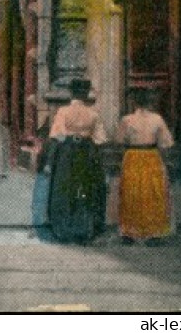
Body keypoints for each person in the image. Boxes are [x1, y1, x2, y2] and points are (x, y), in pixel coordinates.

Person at [44, 78, 107, 244]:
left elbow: (57, 137)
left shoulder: (63, 112)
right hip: (87, 153)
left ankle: (65, 229)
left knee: (65, 188)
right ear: (86, 94)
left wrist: (49, 162)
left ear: (71, 93)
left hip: (67, 152)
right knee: (85, 189)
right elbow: (100, 139)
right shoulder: (93, 114)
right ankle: (84, 229)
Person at [115, 88, 174, 245]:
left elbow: (120, 141)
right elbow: (166, 143)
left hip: (133, 155)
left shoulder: (127, 120)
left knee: (131, 191)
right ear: (150, 102)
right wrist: (166, 162)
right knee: (153, 192)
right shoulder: (157, 119)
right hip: (151, 156)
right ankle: (153, 232)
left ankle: (130, 232)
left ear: (133, 102)